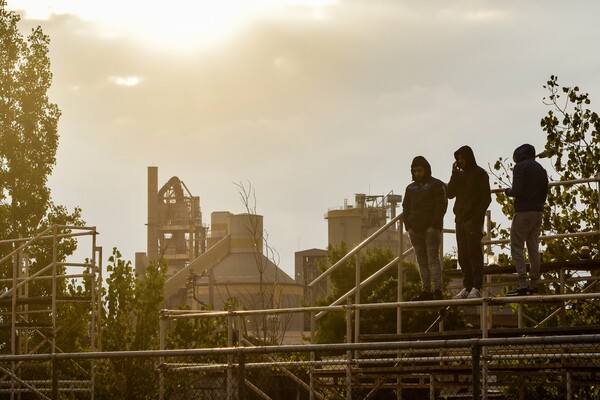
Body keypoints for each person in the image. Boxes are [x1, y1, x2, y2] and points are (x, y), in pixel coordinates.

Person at [447, 146, 491, 299]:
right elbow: (449, 194)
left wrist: (476, 218)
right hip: (459, 219)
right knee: (462, 255)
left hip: (472, 220)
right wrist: (454, 175)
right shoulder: (460, 176)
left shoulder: (480, 174)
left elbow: (486, 198)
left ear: (469, 157)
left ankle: (477, 287)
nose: (461, 161)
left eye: (463, 158)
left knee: (474, 253)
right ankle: (467, 287)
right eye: (458, 159)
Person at [402, 156, 448, 300]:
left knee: (433, 259)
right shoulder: (410, 188)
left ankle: (437, 290)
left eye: (419, 170)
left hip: (431, 229)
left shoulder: (436, 184)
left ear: (426, 169)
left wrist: (434, 225)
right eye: (414, 171)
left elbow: (442, 205)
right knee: (421, 261)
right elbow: (405, 207)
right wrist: (408, 226)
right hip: (414, 230)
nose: (417, 173)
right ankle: (426, 290)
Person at [505, 144, 548, 296]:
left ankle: (522, 284)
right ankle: (533, 283)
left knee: (516, 246)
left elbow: (516, 190)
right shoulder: (541, 170)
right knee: (533, 248)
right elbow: (544, 193)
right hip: (538, 211)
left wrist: (507, 192)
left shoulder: (520, 168)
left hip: (523, 211)